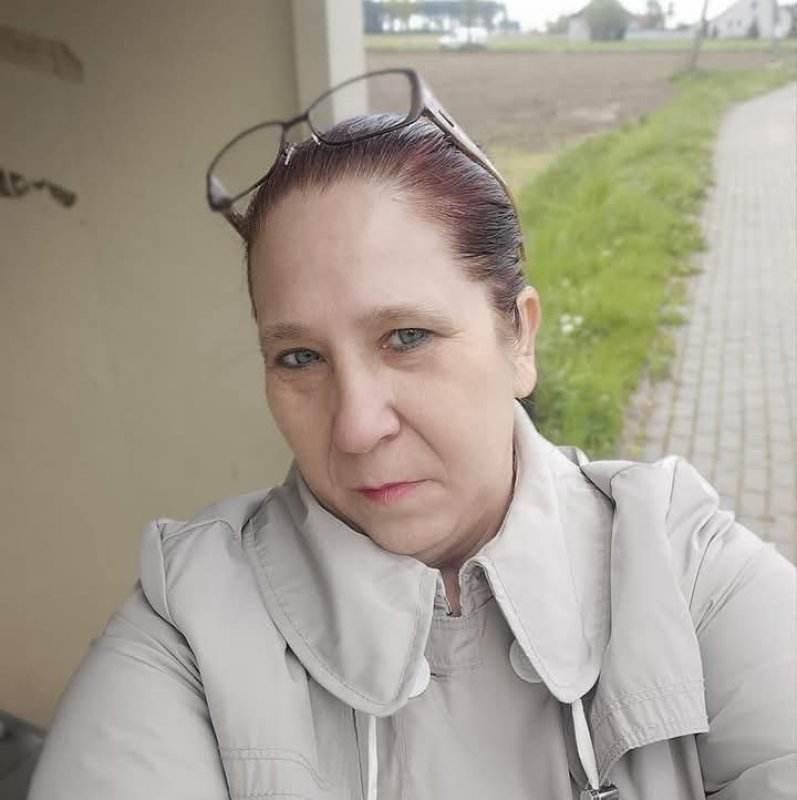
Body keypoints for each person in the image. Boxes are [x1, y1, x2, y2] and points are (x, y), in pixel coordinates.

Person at [29, 69, 795, 800]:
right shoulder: (189, 626)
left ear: (519, 339)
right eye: (299, 358)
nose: (356, 427)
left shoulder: (683, 568)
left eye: (406, 338)